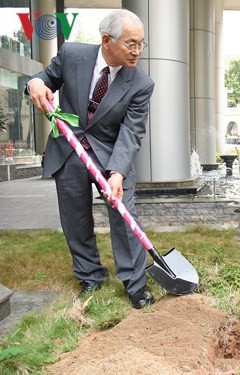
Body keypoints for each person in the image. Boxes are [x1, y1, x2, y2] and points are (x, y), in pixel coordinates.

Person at [25, 9, 155, 308]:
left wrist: (118, 174)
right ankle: (90, 277)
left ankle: (135, 284)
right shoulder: (72, 55)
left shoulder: (140, 84)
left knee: (124, 215)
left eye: (141, 43)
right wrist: (34, 82)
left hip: (110, 154)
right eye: (131, 43)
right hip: (68, 149)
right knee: (75, 218)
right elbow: (45, 77)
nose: (137, 51)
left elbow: (131, 132)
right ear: (107, 40)